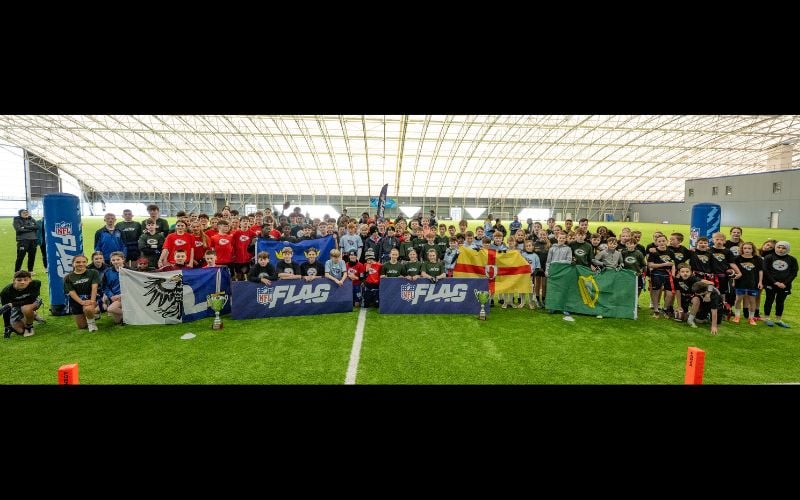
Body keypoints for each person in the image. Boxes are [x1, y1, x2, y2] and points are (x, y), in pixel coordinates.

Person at [762, 241, 797, 328]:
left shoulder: (792, 259)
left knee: (780, 301)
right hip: (771, 283)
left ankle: (778, 319)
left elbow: (794, 273)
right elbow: (766, 271)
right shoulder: (769, 257)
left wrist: (785, 283)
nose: (781, 250)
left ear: (787, 249)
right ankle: (767, 318)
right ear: (775, 248)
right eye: (779, 247)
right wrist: (775, 282)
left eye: (783, 248)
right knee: (769, 300)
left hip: (784, 285)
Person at [64, 255, 101, 332]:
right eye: (78, 262)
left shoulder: (93, 272)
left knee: (88, 309)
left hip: (90, 298)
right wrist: (82, 302)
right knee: (82, 326)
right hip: (77, 301)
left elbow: (94, 287)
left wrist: (92, 301)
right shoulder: (68, 277)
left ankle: (92, 322)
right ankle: (91, 314)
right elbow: (71, 292)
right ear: (73, 263)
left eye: (84, 262)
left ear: (87, 263)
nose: (81, 264)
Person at [1, 271, 44, 338]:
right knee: (20, 331)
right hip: (16, 306)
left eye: (25, 280)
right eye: (19, 280)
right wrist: (7, 326)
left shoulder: (36, 283)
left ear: (30, 280)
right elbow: (6, 310)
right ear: (14, 280)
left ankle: (29, 327)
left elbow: (31, 300)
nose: (22, 282)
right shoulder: (6, 291)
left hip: (33, 302)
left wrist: (12, 304)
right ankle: (33, 316)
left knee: (26, 308)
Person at [102, 251, 125, 325]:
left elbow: (133, 286)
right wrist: (111, 295)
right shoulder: (107, 272)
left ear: (123, 259)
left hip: (127, 296)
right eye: (113, 260)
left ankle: (132, 314)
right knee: (118, 321)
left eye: (118, 259)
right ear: (111, 261)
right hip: (114, 297)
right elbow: (105, 286)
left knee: (111, 309)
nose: (116, 262)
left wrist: (121, 295)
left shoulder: (130, 270)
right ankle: (127, 315)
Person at [13, 209, 38, 273]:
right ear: (20, 214)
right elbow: (19, 230)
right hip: (23, 241)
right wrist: (31, 229)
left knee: (32, 256)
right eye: (24, 213)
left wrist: (25, 227)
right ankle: (17, 271)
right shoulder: (16, 220)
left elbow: (37, 227)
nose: (26, 213)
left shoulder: (31, 219)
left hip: (33, 240)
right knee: (20, 257)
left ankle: (30, 271)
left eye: (27, 212)